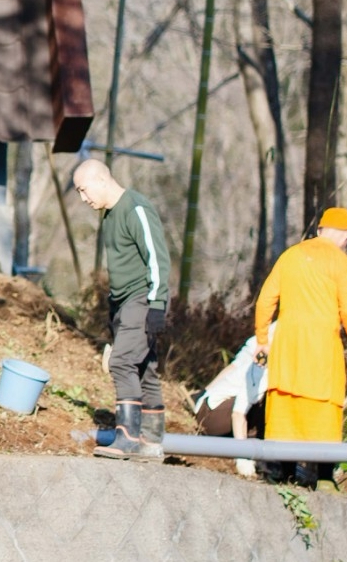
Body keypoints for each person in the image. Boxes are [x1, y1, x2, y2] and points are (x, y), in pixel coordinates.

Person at [71, 158, 171, 460]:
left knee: (122, 362)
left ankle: (127, 437)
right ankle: (152, 441)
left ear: (101, 180)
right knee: (144, 368)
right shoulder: (110, 215)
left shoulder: (136, 208)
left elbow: (157, 257)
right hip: (124, 302)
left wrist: (157, 305)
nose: (83, 198)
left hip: (141, 299)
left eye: (84, 190)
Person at [252, 208, 347, 470]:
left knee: (285, 402)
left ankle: (279, 469)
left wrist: (262, 338)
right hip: (323, 347)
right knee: (323, 405)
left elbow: (266, 299)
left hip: (288, 343)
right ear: (346, 236)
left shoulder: (291, 255)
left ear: (319, 230)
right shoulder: (342, 263)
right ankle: (323, 474)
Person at [193, 334, 268, 476]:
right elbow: (238, 413)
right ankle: (244, 451)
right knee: (263, 402)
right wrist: (242, 457)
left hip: (235, 416)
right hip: (211, 416)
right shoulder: (262, 367)